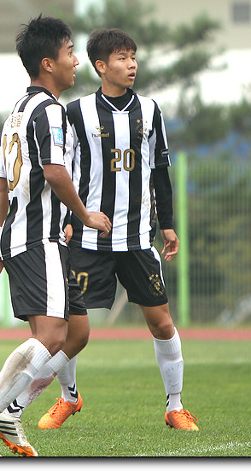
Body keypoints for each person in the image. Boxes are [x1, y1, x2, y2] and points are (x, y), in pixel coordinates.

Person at [0, 15, 111, 457]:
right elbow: (55, 172)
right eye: (70, 53)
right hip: (39, 238)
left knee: (75, 331)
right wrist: (85, 214)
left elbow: (0, 183)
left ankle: (11, 413)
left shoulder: (17, 113)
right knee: (50, 336)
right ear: (48, 63)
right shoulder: (50, 111)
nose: (76, 62)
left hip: (28, 237)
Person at [36, 28, 198, 432]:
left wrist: (168, 225)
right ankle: (68, 397)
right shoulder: (76, 113)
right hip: (87, 238)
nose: (132, 65)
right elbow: (64, 174)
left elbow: (160, 171)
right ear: (101, 66)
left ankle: (175, 406)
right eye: (122, 58)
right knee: (70, 326)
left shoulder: (151, 111)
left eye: (134, 57)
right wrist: (68, 221)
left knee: (161, 322)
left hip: (138, 238)